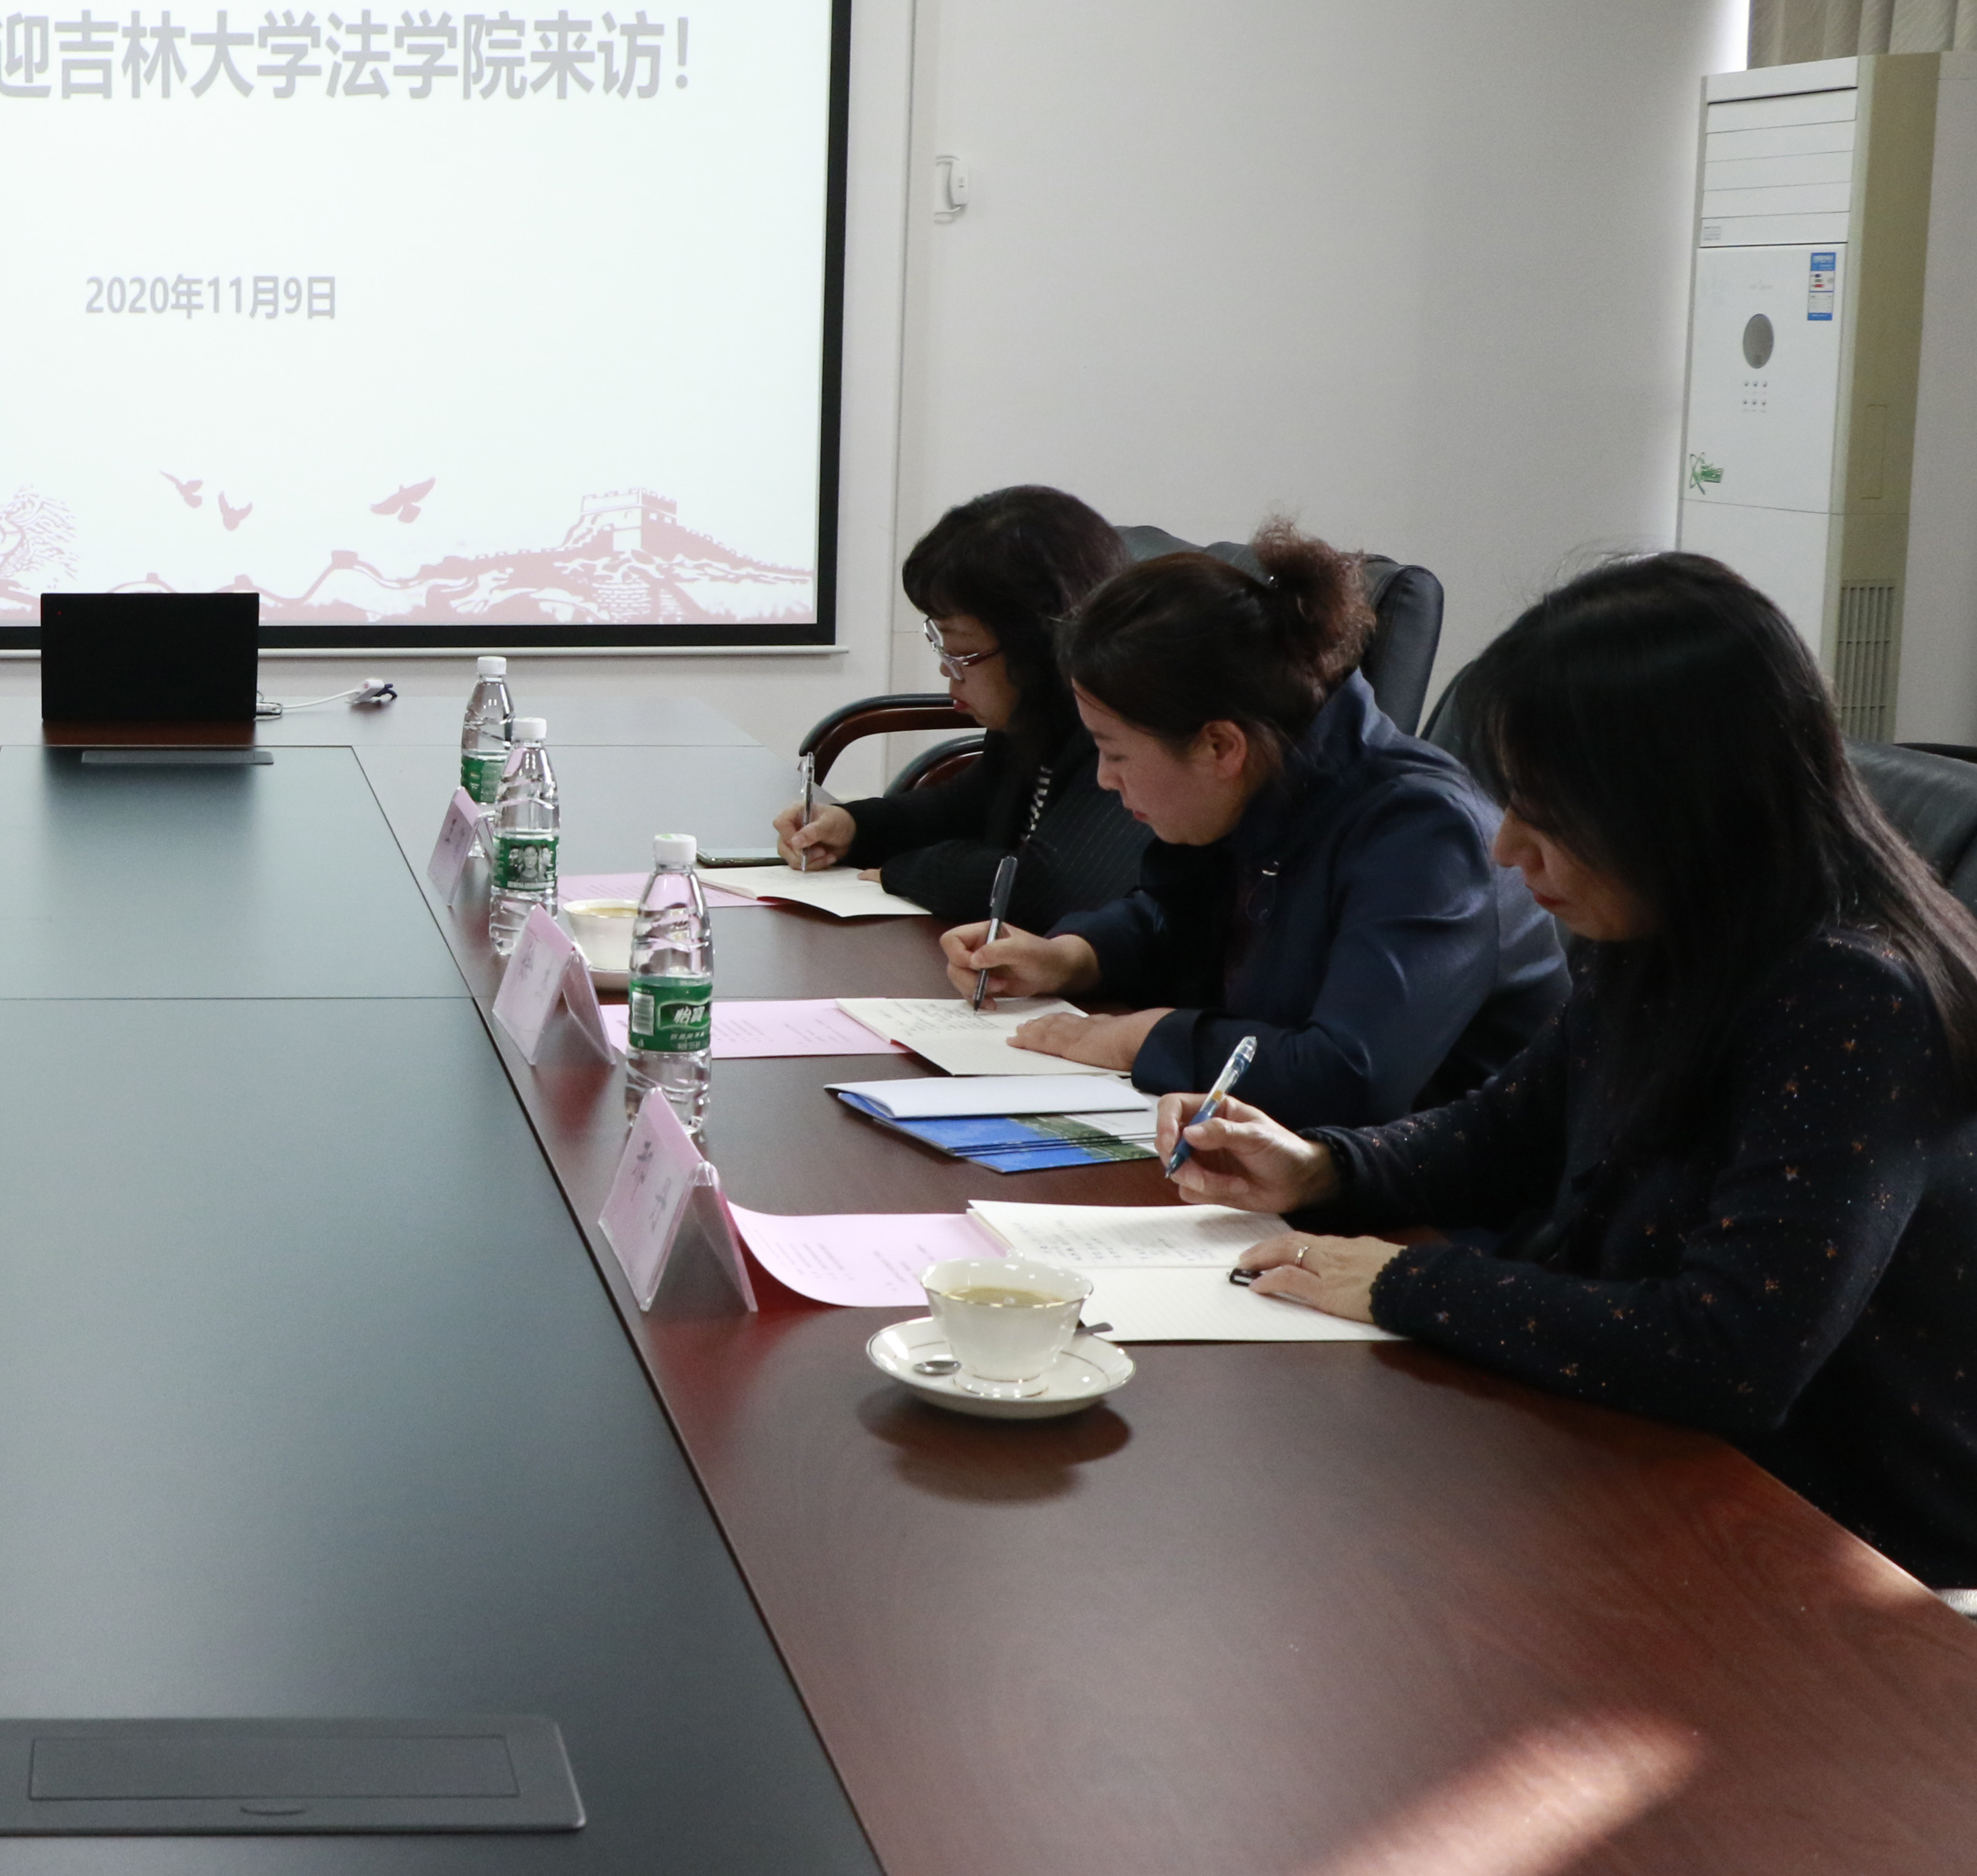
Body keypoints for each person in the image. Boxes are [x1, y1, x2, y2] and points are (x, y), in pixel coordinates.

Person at [1165, 553, 1977, 1592]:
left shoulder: (1856, 995)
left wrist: (1407, 1282)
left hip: (1851, 1557)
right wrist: (1323, 1168)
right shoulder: (1671, 928)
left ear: (1675, 805)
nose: (1507, 848)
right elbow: (1507, 1131)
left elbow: (1730, 1351)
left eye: (1545, 813)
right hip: (1649, 1459)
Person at [950, 520, 1564, 1125]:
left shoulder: (1425, 835)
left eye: (1115, 753)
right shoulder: (1264, 773)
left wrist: (1144, 1039)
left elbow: (1348, 1076)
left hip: (1449, 1180)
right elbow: (1178, 919)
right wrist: (1070, 957)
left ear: (1220, 747)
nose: (1106, 779)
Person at [774, 486, 1147, 931]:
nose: (945, 669)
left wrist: (903, 872)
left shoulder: (1124, 730)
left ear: (1039, 647)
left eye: (961, 651)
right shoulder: (1030, 721)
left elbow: (1044, 887)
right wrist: (853, 826)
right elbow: (958, 808)